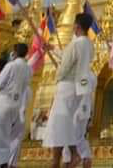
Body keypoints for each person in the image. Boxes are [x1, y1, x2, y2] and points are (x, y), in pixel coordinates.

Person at [44, 12, 95, 168]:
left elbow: (66, 64)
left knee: (59, 121)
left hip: (67, 85)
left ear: (77, 26)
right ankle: (68, 155)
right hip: (79, 86)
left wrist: (58, 76)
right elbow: (68, 57)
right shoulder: (88, 44)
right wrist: (53, 49)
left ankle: (73, 154)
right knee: (65, 121)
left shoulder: (76, 44)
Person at [0, 43, 32, 168]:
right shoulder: (28, 68)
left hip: (4, 103)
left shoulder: (11, 65)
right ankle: (4, 163)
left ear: (15, 53)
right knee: (7, 138)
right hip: (17, 107)